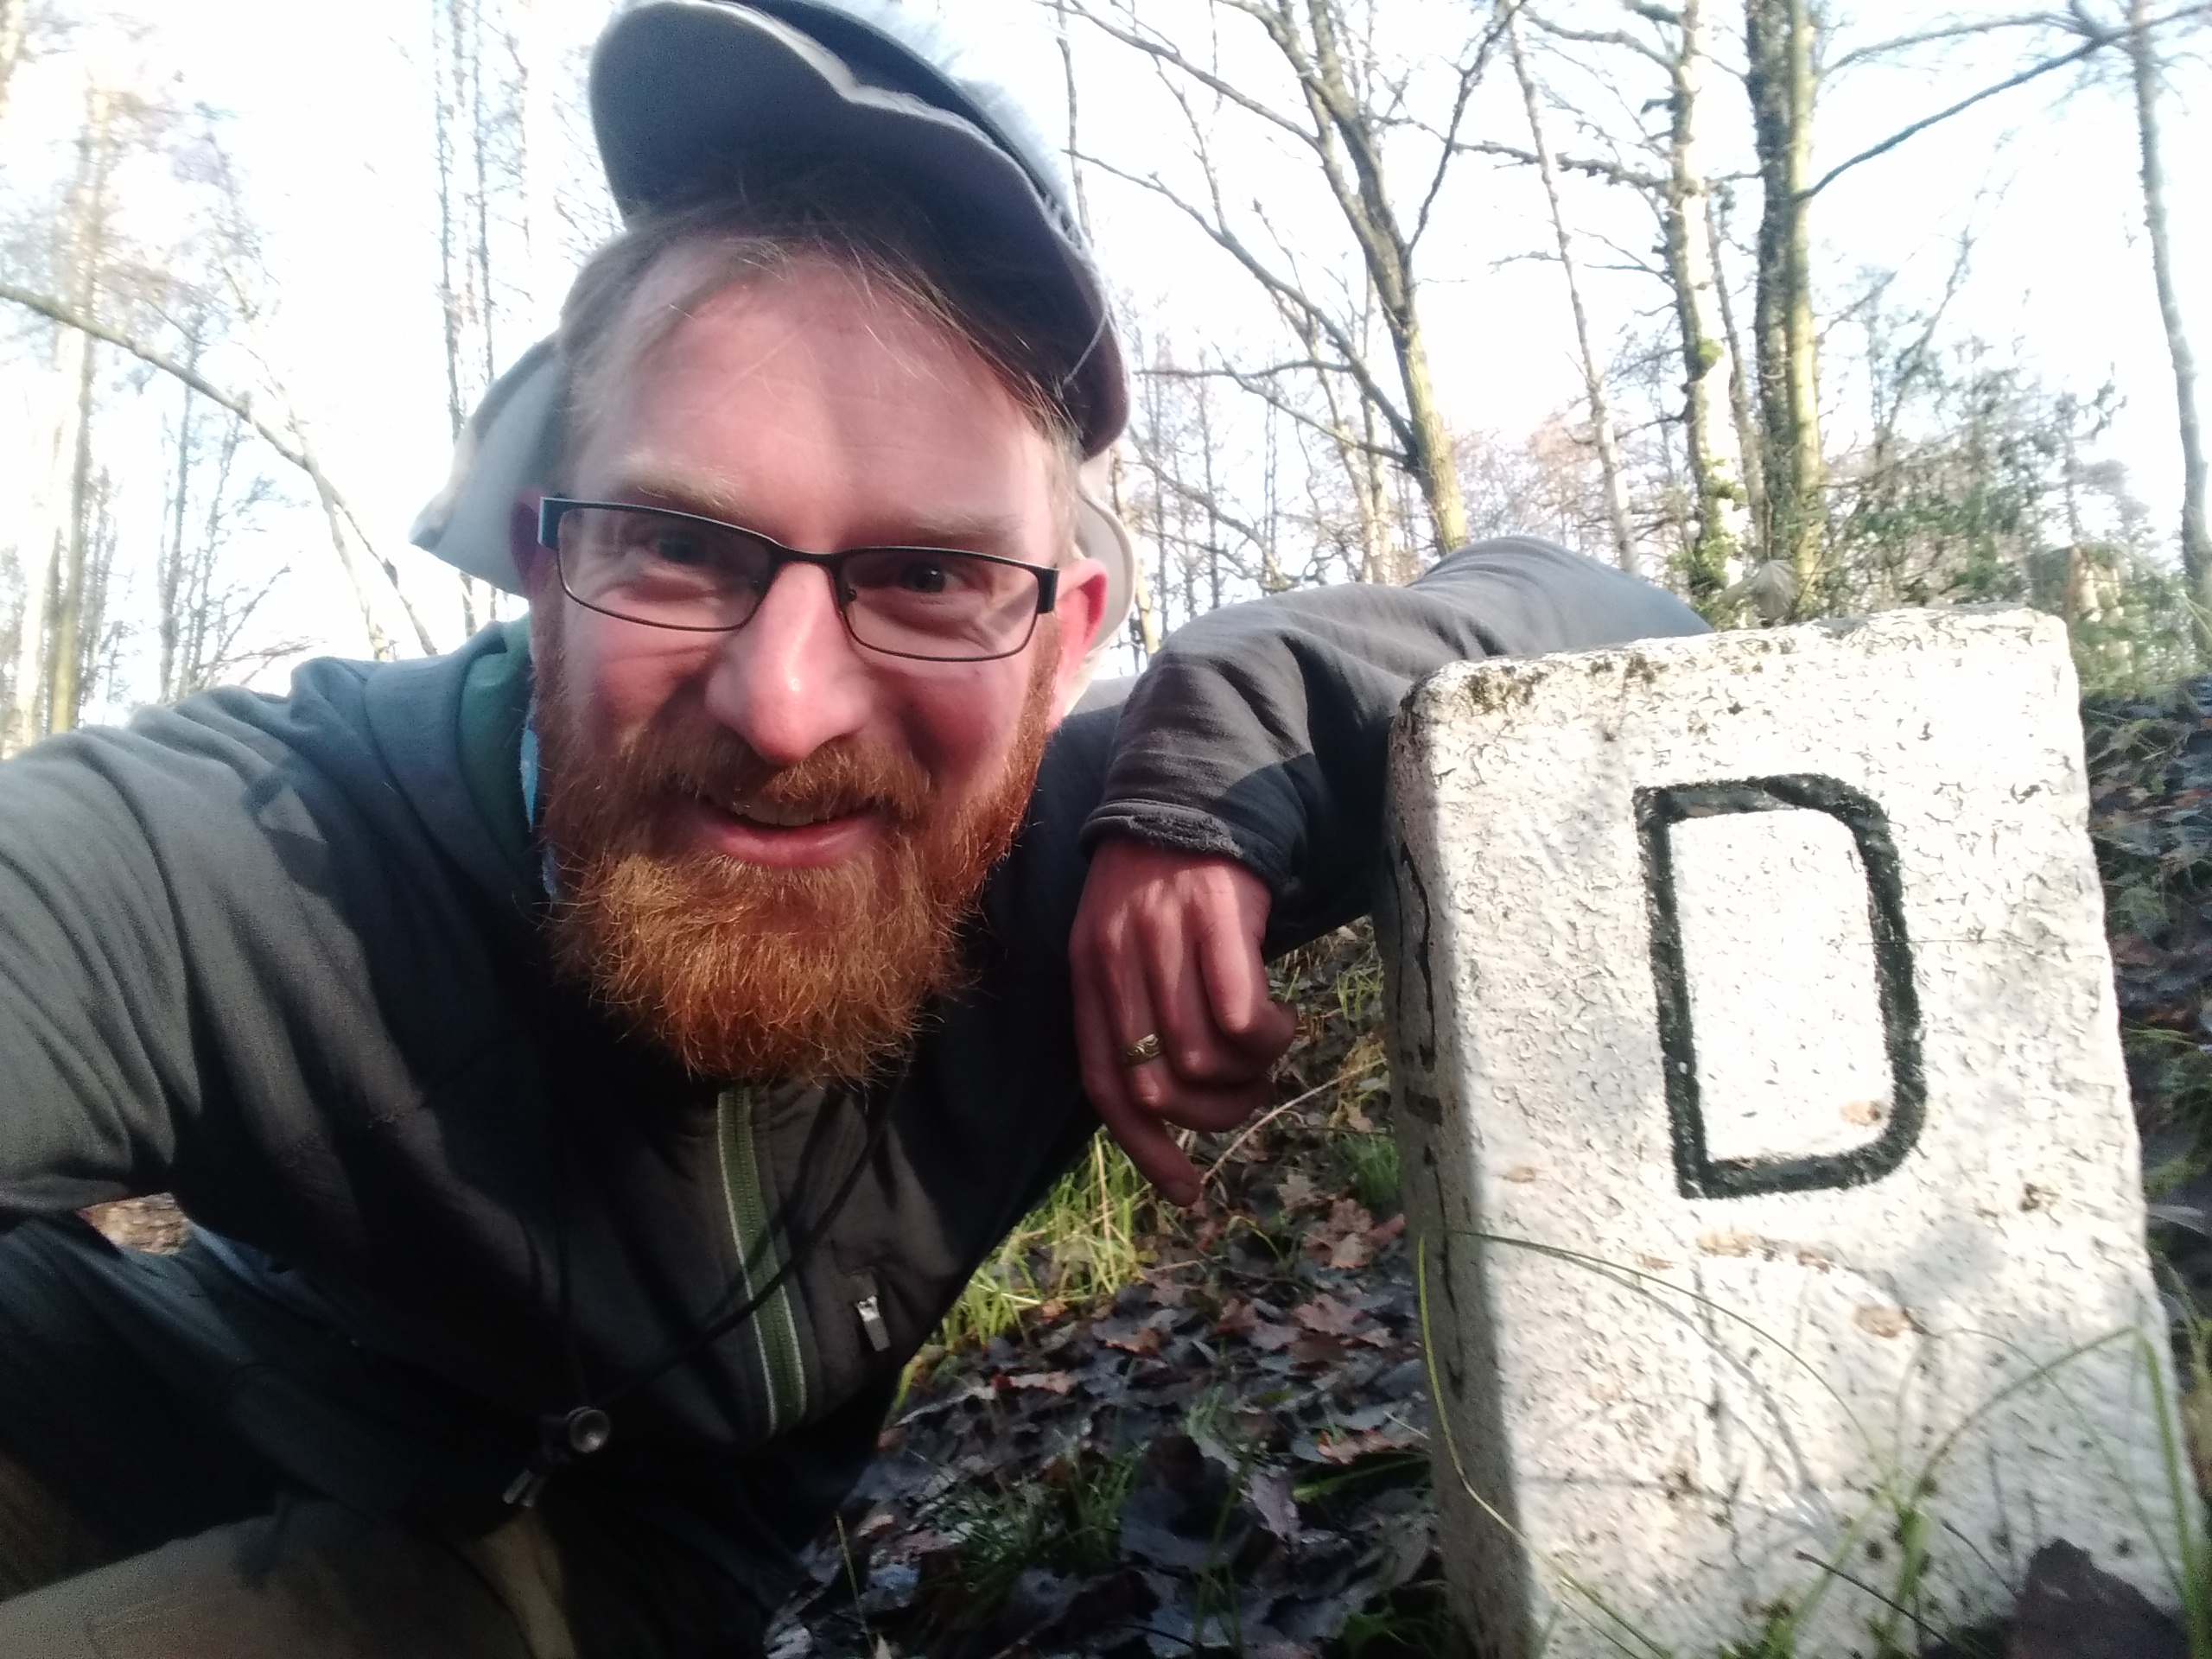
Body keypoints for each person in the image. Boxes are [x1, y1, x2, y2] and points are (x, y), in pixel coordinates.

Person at [0, 3, 1704, 1655]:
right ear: (542, 561)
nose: (784, 706)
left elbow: (1616, 616)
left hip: (594, 1579)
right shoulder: (248, 850)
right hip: (180, 1377)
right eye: (674, 545)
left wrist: (1233, 737)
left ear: (1067, 630)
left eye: (932, 577)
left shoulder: (1093, 851)